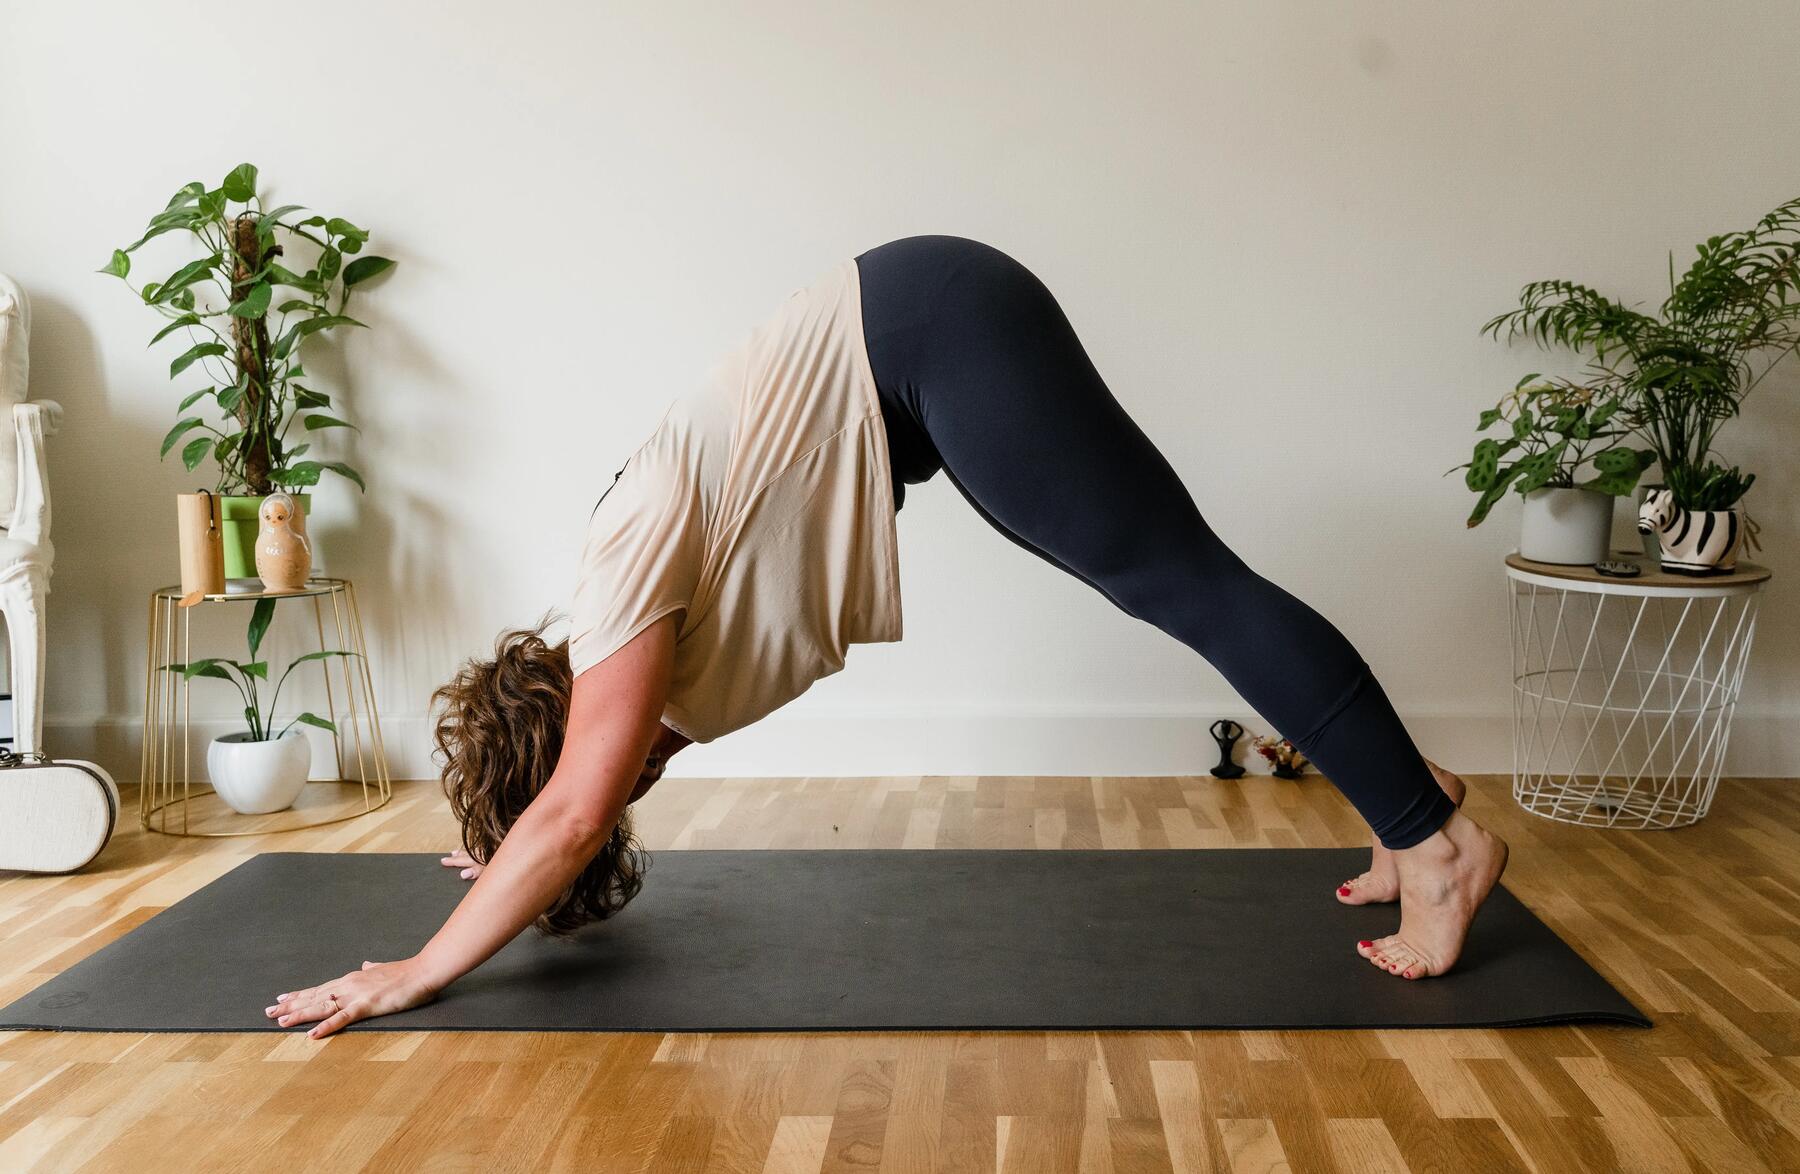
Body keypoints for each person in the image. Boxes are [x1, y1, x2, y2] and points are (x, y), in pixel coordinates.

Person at [267, 236, 1508, 1038]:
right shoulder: (640, 676)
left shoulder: (619, 587)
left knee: (1178, 580)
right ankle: (1411, 796)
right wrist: (500, 850)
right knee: (1167, 578)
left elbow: (576, 811)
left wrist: (419, 968)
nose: (626, 793)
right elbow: (570, 804)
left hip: (935, 332)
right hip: (923, 351)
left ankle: (1439, 845)